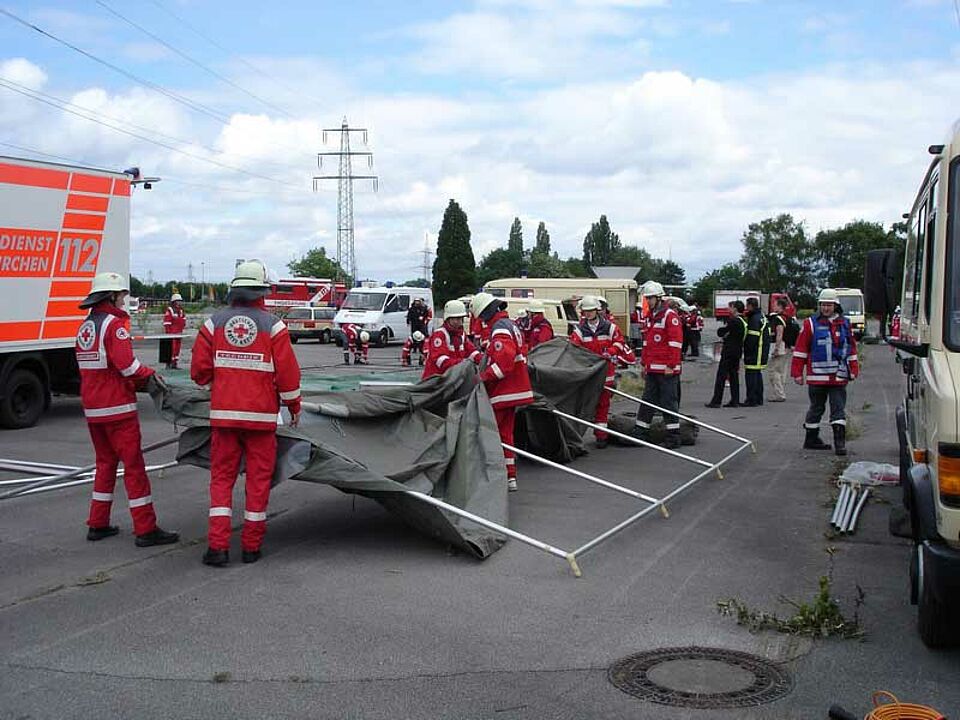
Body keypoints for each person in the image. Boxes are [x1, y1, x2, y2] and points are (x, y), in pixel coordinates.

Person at [191, 260, 302, 566]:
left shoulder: (213, 324)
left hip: (224, 418)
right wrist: (293, 406)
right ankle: (252, 547)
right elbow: (288, 376)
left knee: (221, 480)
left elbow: (199, 372)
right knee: (258, 481)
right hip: (261, 420)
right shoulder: (274, 326)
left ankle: (217, 548)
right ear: (262, 290)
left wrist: (221, 381)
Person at [77, 272, 179, 547]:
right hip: (117, 409)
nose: (124, 301)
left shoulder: (86, 326)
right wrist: (152, 375)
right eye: (121, 296)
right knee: (134, 468)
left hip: (93, 408)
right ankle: (146, 529)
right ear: (111, 296)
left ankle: (97, 523)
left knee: (105, 464)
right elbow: (128, 366)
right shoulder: (114, 326)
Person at [472, 292, 534, 491]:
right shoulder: (510, 325)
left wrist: (483, 377)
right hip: (515, 390)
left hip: (503, 391)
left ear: (485, 314)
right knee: (506, 435)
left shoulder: (499, 329)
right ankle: (510, 476)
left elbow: (503, 364)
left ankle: (490, 477)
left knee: (488, 434)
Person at [791, 288, 859, 456]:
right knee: (816, 408)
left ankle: (839, 443)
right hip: (817, 377)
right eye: (823, 305)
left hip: (838, 376)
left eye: (829, 305)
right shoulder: (810, 324)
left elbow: (851, 349)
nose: (826, 308)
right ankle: (811, 439)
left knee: (838, 409)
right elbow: (800, 349)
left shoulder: (845, 324)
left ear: (835, 306)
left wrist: (854, 369)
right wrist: (797, 373)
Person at [570, 295, 636, 449]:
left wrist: (611, 351)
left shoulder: (609, 327)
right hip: (589, 374)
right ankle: (576, 438)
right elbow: (574, 348)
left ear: (597, 310)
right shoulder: (580, 330)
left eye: (590, 311)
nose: (588, 314)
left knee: (603, 405)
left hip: (606, 373)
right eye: (585, 311)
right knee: (585, 405)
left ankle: (601, 436)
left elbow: (620, 342)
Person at [632, 282, 683, 449]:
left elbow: (675, 343)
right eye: (647, 298)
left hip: (667, 369)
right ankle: (640, 432)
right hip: (653, 368)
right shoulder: (650, 317)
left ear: (659, 298)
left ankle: (673, 436)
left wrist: (671, 365)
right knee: (648, 401)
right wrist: (644, 364)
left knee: (668, 402)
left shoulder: (670, 316)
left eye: (650, 298)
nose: (648, 301)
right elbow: (647, 344)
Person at [421, 299, 481, 380]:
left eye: (460, 318)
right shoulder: (440, 334)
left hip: (451, 377)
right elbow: (440, 360)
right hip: (435, 379)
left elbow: (471, 351)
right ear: (448, 319)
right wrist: (462, 363)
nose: (458, 322)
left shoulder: (462, 334)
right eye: (455, 319)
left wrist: (483, 360)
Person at [705, 301, 746, 408]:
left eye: (730, 307)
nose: (728, 309)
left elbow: (722, 332)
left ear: (735, 308)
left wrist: (723, 332)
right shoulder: (743, 321)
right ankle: (735, 400)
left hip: (729, 351)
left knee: (721, 376)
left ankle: (716, 400)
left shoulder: (734, 321)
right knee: (734, 376)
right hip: (737, 351)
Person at [742, 297, 770, 407]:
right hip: (761, 350)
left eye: (747, 305)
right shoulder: (762, 316)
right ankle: (758, 398)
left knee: (751, 376)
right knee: (757, 375)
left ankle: (751, 399)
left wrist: (746, 350)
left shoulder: (754, 319)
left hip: (755, 351)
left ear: (750, 306)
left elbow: (752, 338)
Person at [766, 297, 791, 402]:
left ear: (780, 306)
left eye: (775, 304)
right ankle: (780, 392)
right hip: (787, 346)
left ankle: (779, 394)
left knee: (773, 370)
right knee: (781, 371)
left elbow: (779, 334)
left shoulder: (778, 319)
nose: (773, 306)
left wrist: (776, 348)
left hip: (780, 346)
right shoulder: (787, 317)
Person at [162, 292, 187, 369]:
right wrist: (169, 333)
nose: (179, 302)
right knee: (170, 349)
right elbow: (167, 323)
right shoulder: (170, 310)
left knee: (177, 349)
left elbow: (183, 321)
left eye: (180, 301)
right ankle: (168, 364)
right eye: (178, 301)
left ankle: (174, 363)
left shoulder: (181, 311)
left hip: (179, 334)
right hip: (171, 334)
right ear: (174, 302)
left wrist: (181, 330)